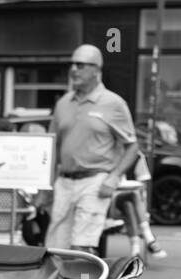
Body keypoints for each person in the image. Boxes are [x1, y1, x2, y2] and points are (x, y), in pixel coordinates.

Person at [45, 45, 139, 255]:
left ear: (96, 70)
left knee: (81, 246)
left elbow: (132, 146)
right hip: (64, 182)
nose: (74, 70)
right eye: (72, 64)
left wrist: (113, 178)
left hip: (94, 181)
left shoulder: (113, 103)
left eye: (80, 65)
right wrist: (46, 186)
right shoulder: (63, 103)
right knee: (55, 248)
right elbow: (53, 145)